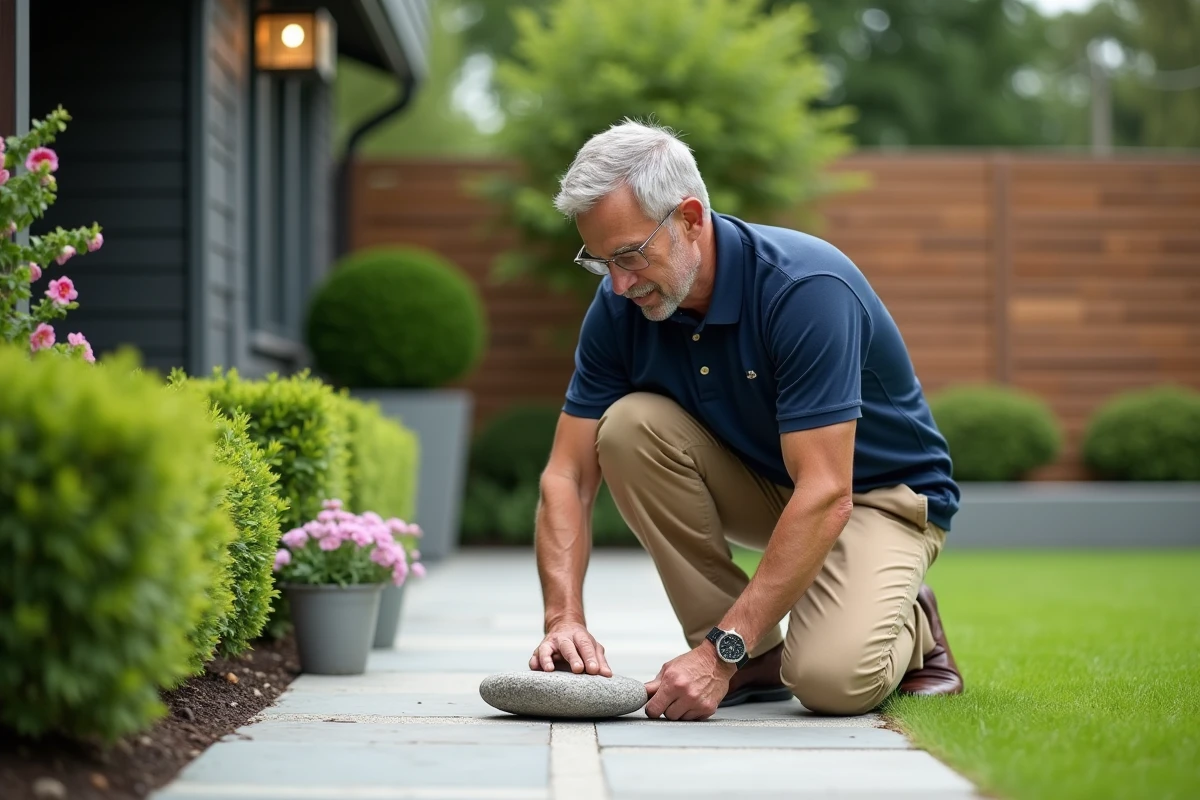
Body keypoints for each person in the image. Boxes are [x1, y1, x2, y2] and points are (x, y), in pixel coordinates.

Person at [527, 119, 964, 720]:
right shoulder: (621, 304)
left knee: (829, 683)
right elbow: (567, 476)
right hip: (777, 487)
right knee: (628, 428)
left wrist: (715, 657)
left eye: (630, 255)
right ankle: (752, 656)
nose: (620, 283)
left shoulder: (805, 289)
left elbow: (828, 492)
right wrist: (563, 619)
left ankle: (912, 623)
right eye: (600, 262)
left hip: (878, 496)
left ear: (689, 218)